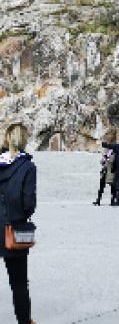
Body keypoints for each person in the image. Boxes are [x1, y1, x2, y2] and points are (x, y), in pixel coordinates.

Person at [0, 122, 37, 324]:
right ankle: (24, 321)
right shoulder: (28, 167)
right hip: (13, 229)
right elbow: (29, 202)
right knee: (19, 283)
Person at [93, 128, 116, 204]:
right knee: (102, 184)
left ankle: (112, 200)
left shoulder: (115, 148)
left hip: (112, 169)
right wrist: (103, 160)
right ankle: (98, 200)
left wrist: (108, 159)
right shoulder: (106, 148)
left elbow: (113, 158)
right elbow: (103, 158)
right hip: (105, 168)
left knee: (112, 185)